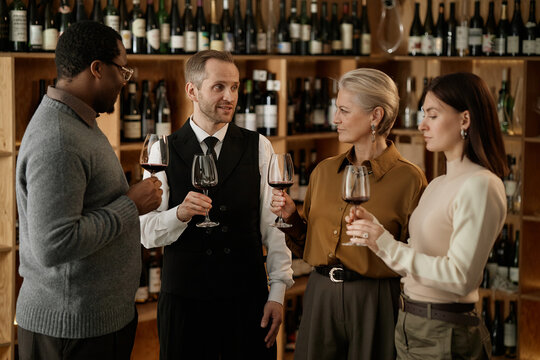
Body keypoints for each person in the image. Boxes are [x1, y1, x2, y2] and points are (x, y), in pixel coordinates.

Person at [15, 21, 163, 360]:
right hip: (72, 331)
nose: (125, 82)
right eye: (122, 70)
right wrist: (131, 206)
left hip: (92, 323)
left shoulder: (79, 121)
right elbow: (55, 244)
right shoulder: (59, 138)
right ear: (97, 69)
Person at [139, 50, 294, 360]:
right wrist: (179, 214)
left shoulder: (259, 146)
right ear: (192, 91)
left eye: (234, 87)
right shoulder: (161, 149)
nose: (230, 97)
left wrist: (277, 294)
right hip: (184, 305)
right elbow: (146, 234)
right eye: (219, 87)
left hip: (247, 302)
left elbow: (273, 227)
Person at [347, 72, 508, 359]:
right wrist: (375, 235)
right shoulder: (437, 184)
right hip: (409, 323)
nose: (422, 125)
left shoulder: (481, 185)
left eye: (432, 115)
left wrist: (385, 243)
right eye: (423, 115)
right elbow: (418, 260)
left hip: (445, 331)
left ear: (465, 120)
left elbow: (460, 277)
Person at [270, 68, 427, 359]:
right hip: (320, 295)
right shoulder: (324, 171)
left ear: (375, 116)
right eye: (336, 109)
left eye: (344, 110)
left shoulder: (410, 179)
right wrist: (292, 219)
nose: (335, 119)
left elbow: (418, 257)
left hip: (376, 300)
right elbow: (310, 248)